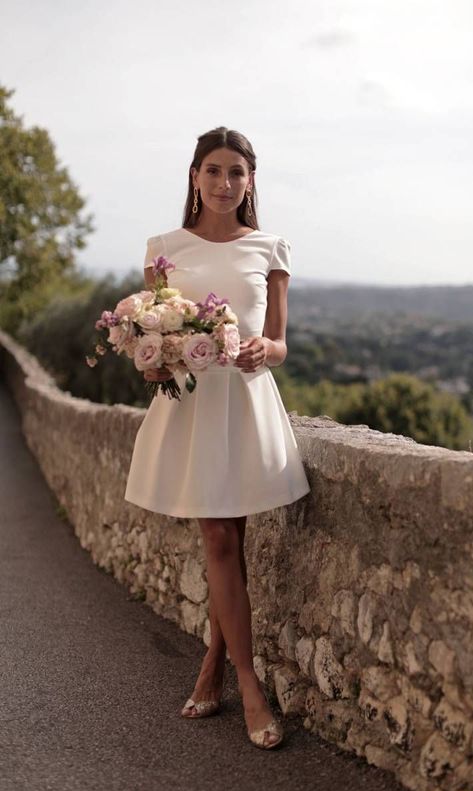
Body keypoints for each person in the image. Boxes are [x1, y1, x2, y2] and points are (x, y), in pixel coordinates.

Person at [124, 126, 311, 749]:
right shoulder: (163, 249)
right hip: (192, 407)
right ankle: (250, 684)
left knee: (232, 542)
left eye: (236, 172)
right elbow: (153, 343)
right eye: (213, 170)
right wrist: (152, 362)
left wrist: (265, 350)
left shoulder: (271, 248)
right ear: (195, 176)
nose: (224, 183)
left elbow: (280, 342)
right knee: (219, 539)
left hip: (247, 403)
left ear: (250, 181)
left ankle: (212, 666)